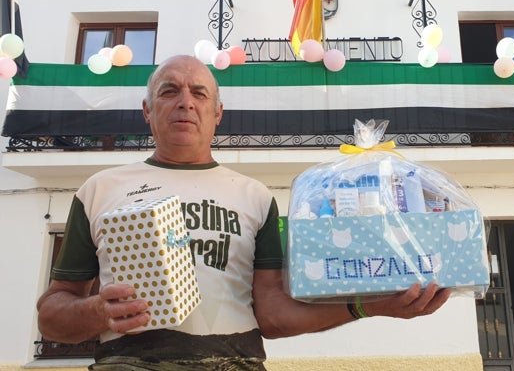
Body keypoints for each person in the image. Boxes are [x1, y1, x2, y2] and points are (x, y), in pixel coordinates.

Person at [36, 54, 451, 370]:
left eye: (199, 93)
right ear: (147, 110)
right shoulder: (99, 189)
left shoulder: (254, 197)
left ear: (218, 113)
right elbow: (52, 316)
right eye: (169, 91)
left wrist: (369, 306)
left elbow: (270, 315)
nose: (185, 102)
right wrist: (94, 311)